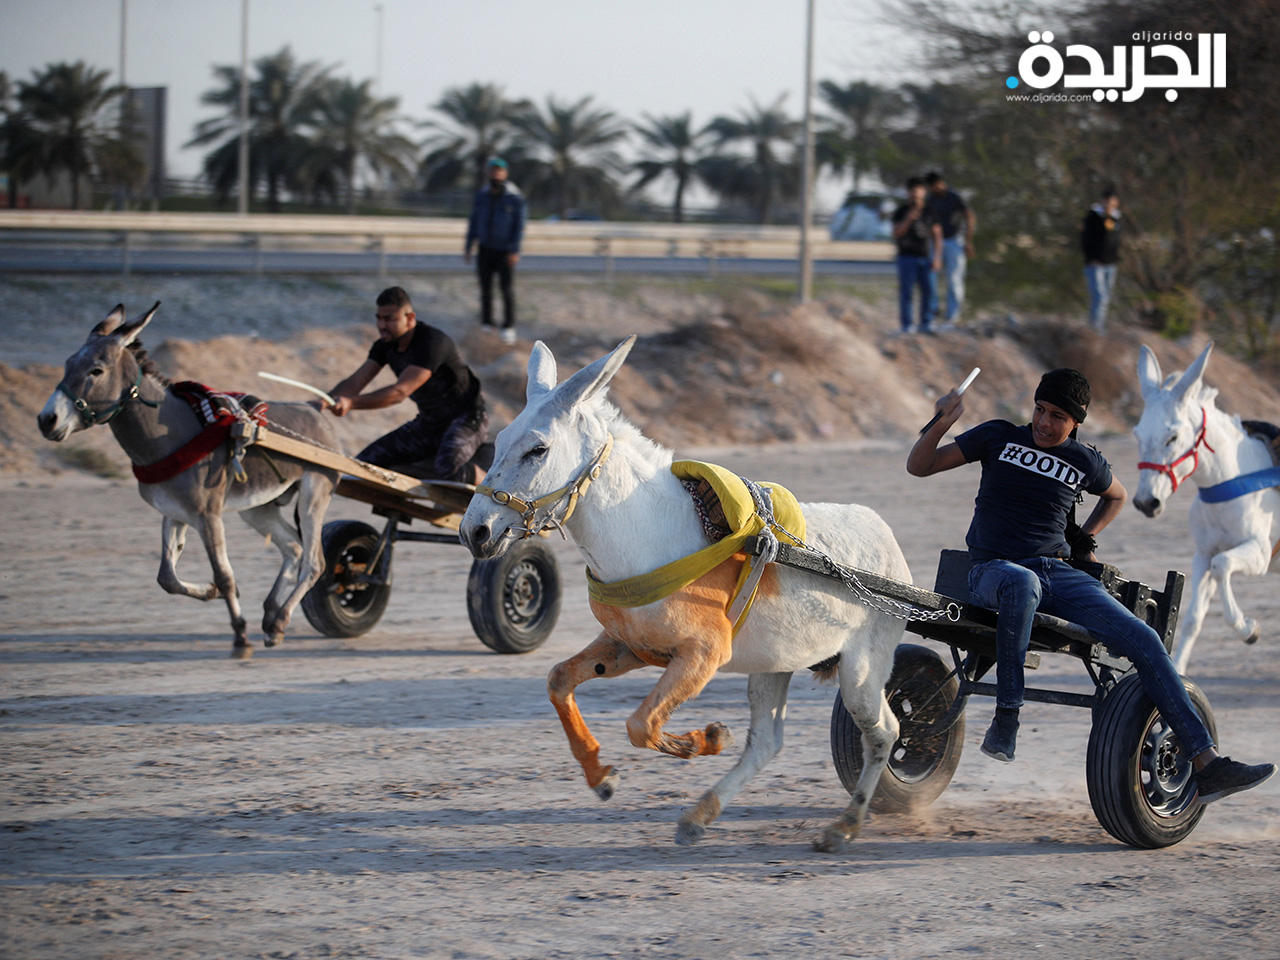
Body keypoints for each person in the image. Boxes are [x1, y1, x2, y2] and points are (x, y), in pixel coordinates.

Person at [906, 367, 1275, 803]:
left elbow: (1116, 494)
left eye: (1057, 415)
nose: (1044, 422)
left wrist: (1085, 538)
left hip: (1057, 573)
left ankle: (1207, 763)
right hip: (993, 570)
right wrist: (942, 421)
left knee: (1144, 638)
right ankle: (1007, 718)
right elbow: (920, 466)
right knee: (1021, 583)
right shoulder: (998, 437)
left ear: (1076, 421)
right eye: (1040, 410)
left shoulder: (1085, 461)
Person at [325, 286, 489, 483]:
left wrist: (351, 404)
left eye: (389, 319)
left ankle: (495, 489)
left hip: (468, 419)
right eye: (379, 318)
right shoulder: (384, 346)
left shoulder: (432, 342)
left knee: (448, 467)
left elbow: (400, 392)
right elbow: (355, 382)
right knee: (364, 466)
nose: (381, 325)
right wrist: (322, 401)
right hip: (430, 423)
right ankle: (394, 508)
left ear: (410, 318)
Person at [465, 157, 526, 344]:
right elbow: (474, 221)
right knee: (486, 288)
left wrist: (514, 250)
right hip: (485, 248)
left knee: (506, 289)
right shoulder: (482, 196)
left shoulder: (514, 198)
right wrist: (469, 245)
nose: (496, 174)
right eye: (493, 170)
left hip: (505, 250)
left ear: (505, 173)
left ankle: (508, 326)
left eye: (499, 170)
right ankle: (486, 323)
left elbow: (519, 225)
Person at [923, 171, 975, 328]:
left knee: (954, 279)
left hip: (954, 241)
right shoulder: (930, 199)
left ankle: (952, 316)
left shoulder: (955, 196)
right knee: (931, 279)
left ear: (940, 183)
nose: (932, 189)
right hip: (936, 243)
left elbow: (969, 217)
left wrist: (968, 241)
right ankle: (932, 314)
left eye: (934, 186)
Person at [891, 176, 942, 335]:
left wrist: (937, 257)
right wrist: (909, 218)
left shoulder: (930, 211)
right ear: (907, 193)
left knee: (929, 291)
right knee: (907, 292)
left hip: (925, 256)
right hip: (906, 257)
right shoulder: (901, 211)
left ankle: (926, 323)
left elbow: (937, 235)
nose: (915, 194)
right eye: (912, 191)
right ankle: (907, 325)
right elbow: (896, 233)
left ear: (923, 191)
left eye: (918, 190)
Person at [1081, 187, 1121, 332]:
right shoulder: (1093, 217)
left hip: (1110, 264)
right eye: (1107, 201)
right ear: (1102, 201)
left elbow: (1115, 240)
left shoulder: (1116, 218)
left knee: (1106, 297)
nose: (1109, 204)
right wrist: (1091, 258)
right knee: (1099, 296)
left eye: (1112, 201)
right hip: (1095, 264)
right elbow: (1085, 240)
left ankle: (1100, 326)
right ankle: (1095, 328)